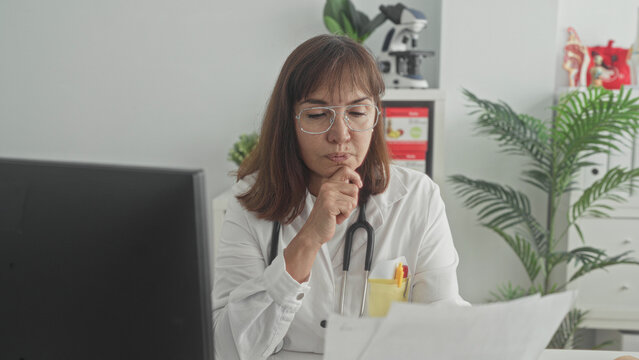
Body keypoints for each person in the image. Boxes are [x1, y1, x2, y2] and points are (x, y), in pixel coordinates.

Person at [212, 34, 468, 360]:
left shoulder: (418, 197)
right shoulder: (247, 201)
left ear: (375, 116)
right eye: (318, 115)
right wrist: (307, 241)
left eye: (357, 112)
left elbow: (442, 319)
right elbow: (225, 349)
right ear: (289, 123)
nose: (341, 135)